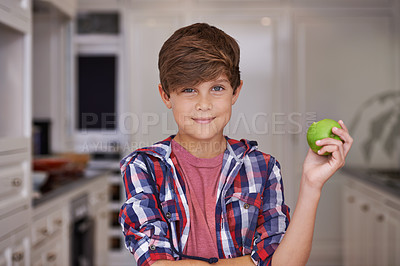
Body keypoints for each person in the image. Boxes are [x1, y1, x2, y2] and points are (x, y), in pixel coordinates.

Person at [119, 23, 353, 266]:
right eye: (189, 90)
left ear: (235, 92)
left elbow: (283, 263)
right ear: (166, 95)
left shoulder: (263, 167)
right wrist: (251, 263)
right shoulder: (143, 166)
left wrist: (311, 185)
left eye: (217, 88)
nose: (204, 103)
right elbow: (158, 264)